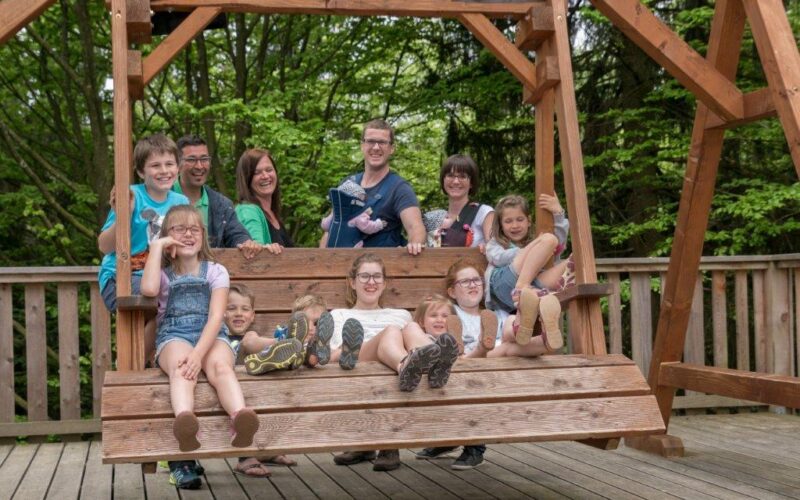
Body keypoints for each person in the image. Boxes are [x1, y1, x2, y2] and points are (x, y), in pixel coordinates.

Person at [140, 205, 258, 489]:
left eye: (194, 229)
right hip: (173, 335)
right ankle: (185, 424)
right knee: (182, 369)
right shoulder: (165, 274)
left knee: (220, 366)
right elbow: (147, 290)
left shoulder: (216, 271)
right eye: (179, 229)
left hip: (210, 333)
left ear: (203, 235)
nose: (188, 234)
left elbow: (217, 316)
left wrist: (198, 354)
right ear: (168, 236)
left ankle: (239, 419)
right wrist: (156, 248)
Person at [331, 253, 458, 471]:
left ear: (385, 283)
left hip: (399, 371)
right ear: (352, 283)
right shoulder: (339, 315)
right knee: (391, 331)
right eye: (364, 276)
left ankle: (431, 364)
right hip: (360, 365)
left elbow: (414, 338)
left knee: (409, 328)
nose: (371, 282)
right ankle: (405, 366)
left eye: (377, 277)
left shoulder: (401, 315)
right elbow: (334, 356)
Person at [97, 133, 189, 370]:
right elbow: (104, 246)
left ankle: (151, 358)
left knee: (186, 299)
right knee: (165, 299)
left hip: (160, 276)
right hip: (121, 276)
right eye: (155, 165)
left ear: (178, 168)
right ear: (140, 171)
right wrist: (123, 214)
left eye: (169, 164)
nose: (164, 170)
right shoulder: (132, 195)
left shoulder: (181, 201)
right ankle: (136, 365)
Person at [414, 260, 501, 470]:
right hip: (461, 372)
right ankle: (453, 441)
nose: (473, 285)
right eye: (466, 282)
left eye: (476, 280)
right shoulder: (451, 315)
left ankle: (536, 339)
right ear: (452, 292)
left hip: (497, 365)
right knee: (460, 367)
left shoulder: (496, 316)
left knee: (509, 343)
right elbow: (430, 327)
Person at [319, 119, 426, 255]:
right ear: (362, 145)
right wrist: (322, 260)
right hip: (342, 266)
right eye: (370, 141)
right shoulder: (348, 184)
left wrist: (414, 246)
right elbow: (332, 228)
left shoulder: (399, 188)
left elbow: (415, 227)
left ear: (392, 148)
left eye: (382, 142)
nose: (376, 147)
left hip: (381, 271)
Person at [225, 283, 298, 477]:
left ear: (253, 315)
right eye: (231, 308)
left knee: (251, 340)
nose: (238, 313)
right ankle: (245, 456)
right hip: (229, 391)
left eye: (245, 309)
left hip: (256, 384)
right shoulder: (219, 338)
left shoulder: (251, 335)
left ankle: (265, 450)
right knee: (249, 342)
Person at [485, 194, 569, 345]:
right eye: (508, 221)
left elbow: (559, 245)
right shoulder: (496, 242)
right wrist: (531, 248)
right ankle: (522, 290)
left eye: (520, 219)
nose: (515, 225)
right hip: (504, 283)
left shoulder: (534, 241)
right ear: (501, 225)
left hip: (531, 285)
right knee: (549, 239)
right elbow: (498, 258)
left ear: (529, 221)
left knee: (576, 259)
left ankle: (540, 305)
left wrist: (558, 214)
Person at [173, 135, 262, 259]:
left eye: (204, 159)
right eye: (191, 159)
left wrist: (246, 243)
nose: (199, 166)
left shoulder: (222, 204)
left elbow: (237, 235)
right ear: (178, 163)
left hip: (211, 274)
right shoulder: (163, 197)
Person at [234, 148, 292, 251]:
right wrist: (264, 249)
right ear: (247, 178)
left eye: (269, 170)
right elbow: (255, 248)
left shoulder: (273, 214)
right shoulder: (247, 211)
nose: (265, 176)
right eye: (257, 172)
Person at [436, 154, 495, 251]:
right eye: (450, 175)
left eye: (462, 176)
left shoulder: (484, 213)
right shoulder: (436, 218)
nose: (455, 181)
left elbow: (495, 248)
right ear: (443, 180)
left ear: (471, 183)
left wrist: (487, 247)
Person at [320, 179, 387, 247]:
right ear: (356, 200)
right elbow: (367, 227)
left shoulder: (334, 215)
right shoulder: (358, 216)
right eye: (363, 199)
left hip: (332, 247)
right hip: (351, 249)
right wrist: (379, 224)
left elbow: (324, 225)